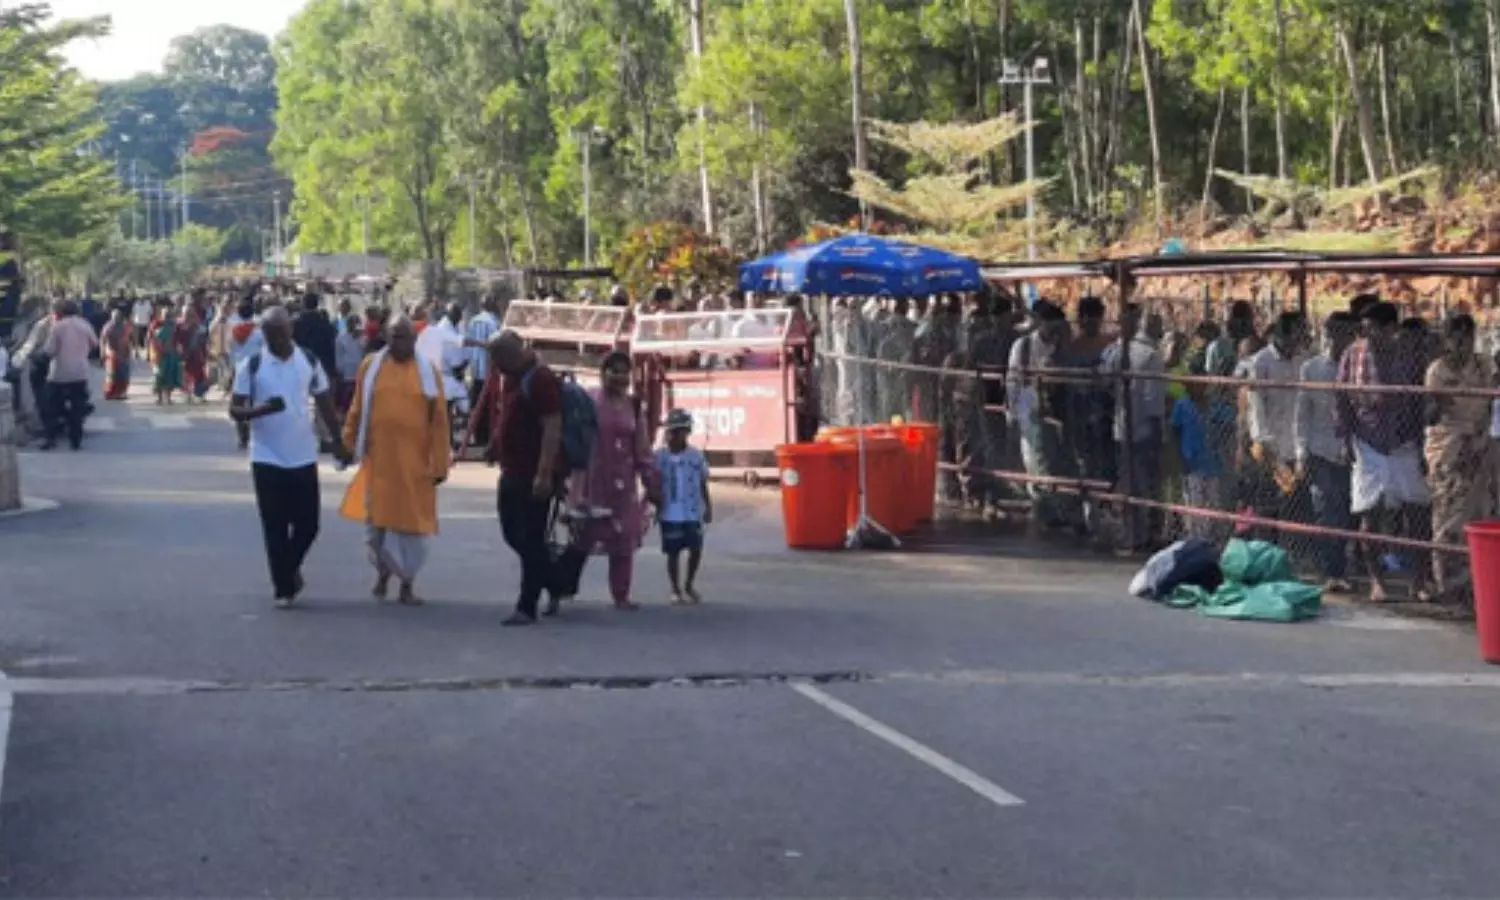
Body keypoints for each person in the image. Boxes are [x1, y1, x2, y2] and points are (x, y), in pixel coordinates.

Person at [230, 306, 347, 609]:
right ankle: (284, 587)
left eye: (281, 333)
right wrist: (261, 410)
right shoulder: (252, 365)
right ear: (263, 334)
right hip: (266, 456)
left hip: (302, 454)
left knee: (309, 525)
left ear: (291, 330)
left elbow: (324, 402)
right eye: (270, 334)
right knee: (275, 526)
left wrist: (338, 440)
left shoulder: (307, 360)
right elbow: (235, 410)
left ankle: (288, 569)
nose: (277, 339)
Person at [339, 316, 450, 606]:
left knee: (412, 532)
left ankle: (407, 585)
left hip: (416, 467)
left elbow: (439, 421)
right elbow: (357, 407)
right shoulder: (371, 366)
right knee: (378, 529)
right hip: (380, 464)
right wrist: (348, 442)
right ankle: (382, 577)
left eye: (405, 337)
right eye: (394, 337)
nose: (400, 343)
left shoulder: (428, 372)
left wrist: (440, 463)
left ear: (415, 339)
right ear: (386, 338)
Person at [1337, 300, 1431, 602]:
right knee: (1369, 513)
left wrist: (1421, 443)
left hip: (1404, 442)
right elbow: (1341, 397)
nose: (1366, 335)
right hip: (1368, 442)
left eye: (1372, 329)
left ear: (1391, 329)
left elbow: (1420, 401)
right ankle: (1377, 581)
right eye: (1363, 330)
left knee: (1417, 511)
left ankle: (1418, 581)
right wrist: (1345, 438)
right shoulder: (1353, 353)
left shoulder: (1410, 356)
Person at [469, 330, 565, 626]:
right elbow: (508, 414)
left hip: (533, 474)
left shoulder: (541, 379)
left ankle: (527, 606)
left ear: (510, 355)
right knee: (513, 533)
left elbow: (552, 426)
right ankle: (556, 579)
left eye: (497, 359)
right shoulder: (511, 377)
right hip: (510, 471)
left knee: (532, 539)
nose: (495, 367)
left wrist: (544, 473)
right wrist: (495, 444)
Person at [554, 351, 659, 612]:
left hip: (623, 485)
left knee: (624, 543)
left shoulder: (634, 406)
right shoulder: (589, 400)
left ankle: (621, 595)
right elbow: (572, 434)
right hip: (591, 481)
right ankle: (560, 589)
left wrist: (653, 481)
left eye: (625, 371)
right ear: (603, 373)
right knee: (581, 541)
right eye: (614, 370)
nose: (620, 376)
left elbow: (642, 448)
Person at [1423, 314, 1495, 603]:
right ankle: (1447, 585)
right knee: (1448, 517)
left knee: (1479, 513)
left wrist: (1481, 435)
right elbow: (1439, 411)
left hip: (1480, 445)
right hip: (1449, 449)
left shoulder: (1483, 365)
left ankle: (1474, 581)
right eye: (1457, 337)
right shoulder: (1438, 371)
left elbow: (1489, 404)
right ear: (1448, 339)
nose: (1463, 343)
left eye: (1468, 336)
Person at [1295, 312, 1357, 593]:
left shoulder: (1357, 368)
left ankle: (1339, 565)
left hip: (1350, 450)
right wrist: (1301, 451)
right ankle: (1331, 569)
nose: (1338, 340)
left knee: (1344, 510)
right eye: (1333, 333)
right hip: (1320, 448)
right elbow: (1302, 413)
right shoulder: (1312, 368)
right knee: (1325, 507)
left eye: (1345, 334)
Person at [1100, 302, 1167, 550]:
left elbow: (1105, 379)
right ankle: (1146, 531)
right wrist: (1158, 429)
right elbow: (1153, 399)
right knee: (1147, 481)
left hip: (1123, 424)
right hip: (1144, 428)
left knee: (1129, 480)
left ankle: (1133, 531)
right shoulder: (1150, 355)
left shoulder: (1121, 350)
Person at [656, 408, 712, 604]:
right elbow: (652, 483)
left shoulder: (695, 456)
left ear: (685, 433)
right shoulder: (660, 457)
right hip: (670, 512)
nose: (671, 436)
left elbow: (703, 481)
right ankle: (675, 588)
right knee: (673, 552)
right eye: (669, 432)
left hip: (691, 511)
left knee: (695, 549)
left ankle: (689, 583)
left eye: (676, 432)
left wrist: (708, 507)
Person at [41, 300, 97, 451]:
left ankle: (50, 438)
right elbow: (94, 344)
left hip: (59, 373)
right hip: (80, 372)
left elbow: (49, 350)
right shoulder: (85, 325)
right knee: (78, 407)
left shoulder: (58, 327)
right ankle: (76, 440)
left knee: (51, 407)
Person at [178, 307, 211, 403]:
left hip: (197, 354)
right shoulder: (180, 325)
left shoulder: (199, 326)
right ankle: (187, 394)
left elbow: (204, 339)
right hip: (185, 354)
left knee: (199, 375)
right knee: (185, 375)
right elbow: (177, 339)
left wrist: (206, 352)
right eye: (187, 314)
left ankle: (199, 394)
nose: (189, 316)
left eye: (191, 314)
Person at [100, 307, 133, 401]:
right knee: (112, 374)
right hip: (112, 354)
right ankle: (110, 393)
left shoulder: (125, 326)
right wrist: (102, 352)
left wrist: (132, 349)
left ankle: (121, 393)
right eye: (115, 317)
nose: (116, 319)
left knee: (124, 374)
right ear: (111, 317)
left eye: (118, 317)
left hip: (124, 353)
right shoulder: (108, 327)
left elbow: (130, 338)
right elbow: (103, 339)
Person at [334, 314, 364, 413]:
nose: (354, 327)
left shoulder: (363, 338)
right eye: (352, 324)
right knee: (347, 398)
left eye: (356, 324)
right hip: (347, 373)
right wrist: (340, 370)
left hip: (360, 371)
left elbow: (365, 351)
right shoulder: (341, 338)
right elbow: (339, 356)